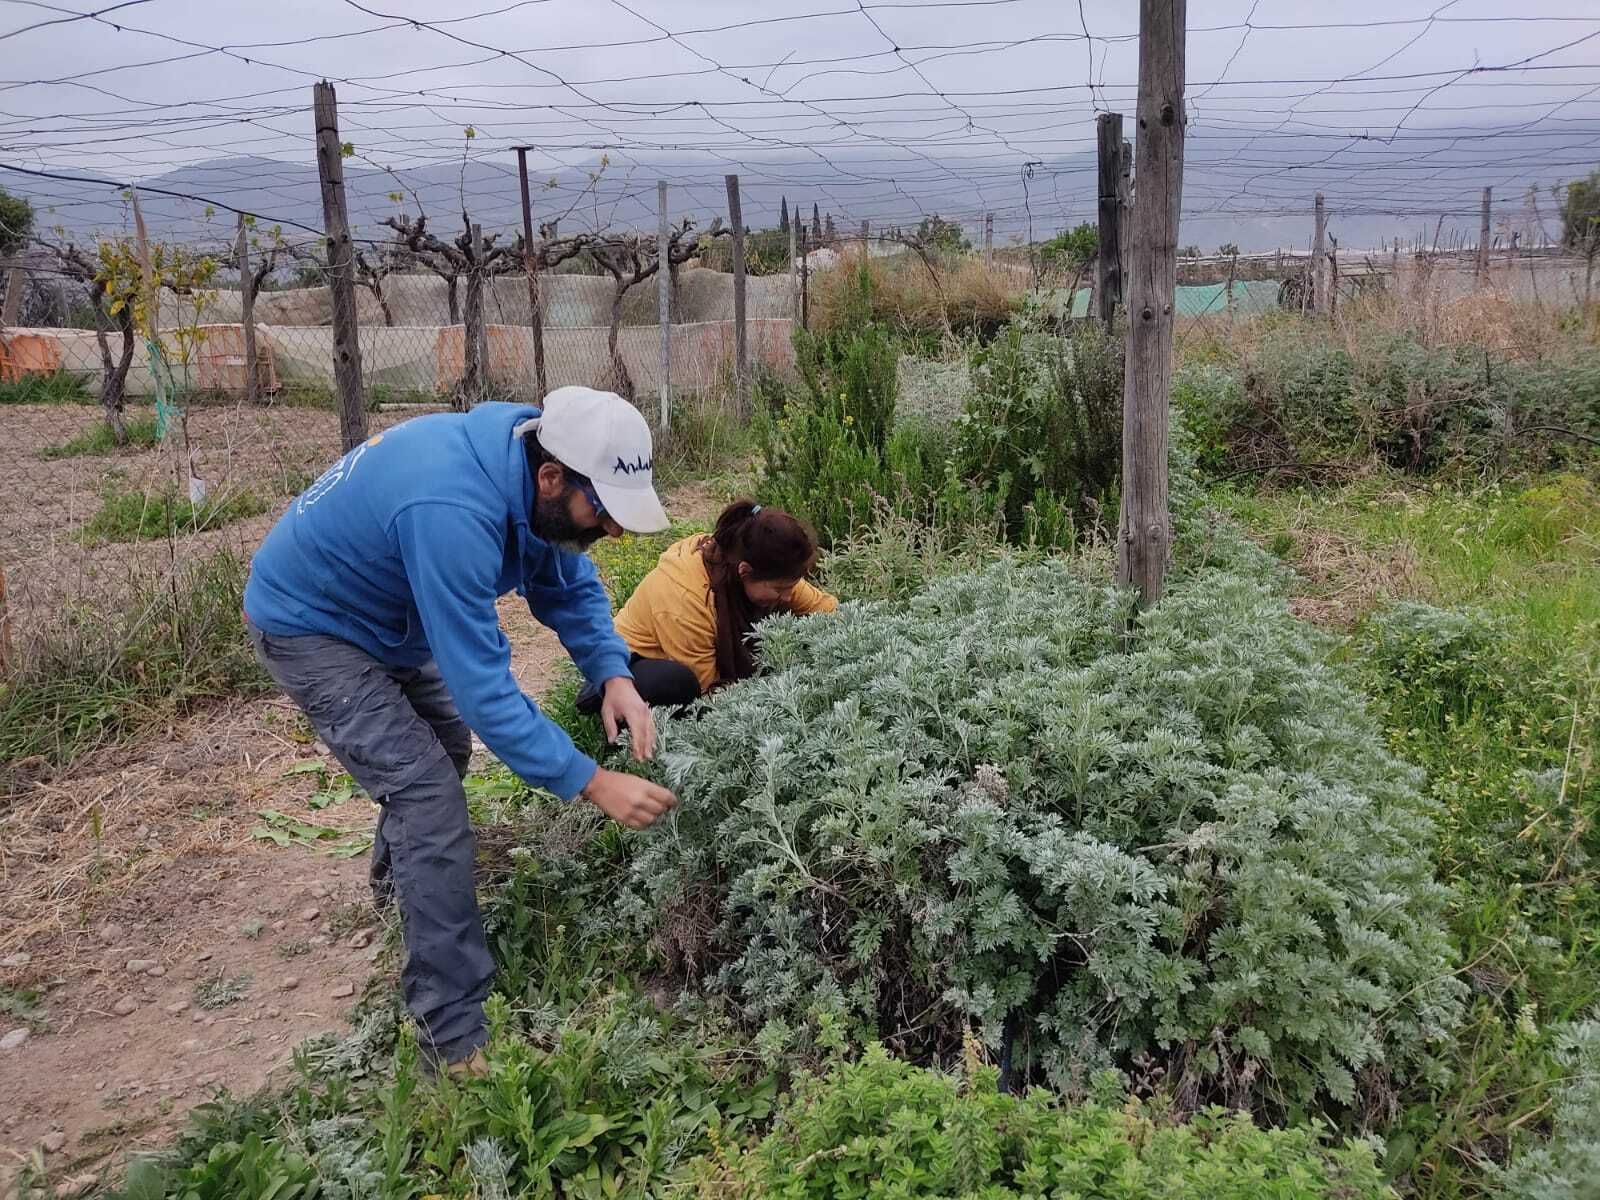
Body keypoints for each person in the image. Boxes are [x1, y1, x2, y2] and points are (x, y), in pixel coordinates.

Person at [241, 386, 679, 1078]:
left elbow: (568, 584)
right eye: (604, 511)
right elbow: (486, 694)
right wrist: (592, 782)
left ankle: (402, 893)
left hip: (388, 615)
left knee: (441, 753)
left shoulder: (530, 468)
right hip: (313, 625)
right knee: (427, 798)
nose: (613, 532)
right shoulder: (452, 509)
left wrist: (613, 673)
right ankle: (452, 1036)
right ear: (551, 478)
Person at [581, 501, 837, 713]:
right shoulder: (687, 598)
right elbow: (709, 691)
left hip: (683, 655)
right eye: (781, 589)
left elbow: (828, 610)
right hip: (628, 666)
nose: (789, 596)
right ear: (744, 571)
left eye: (792, 586)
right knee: (680, 686)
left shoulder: (767, 570)